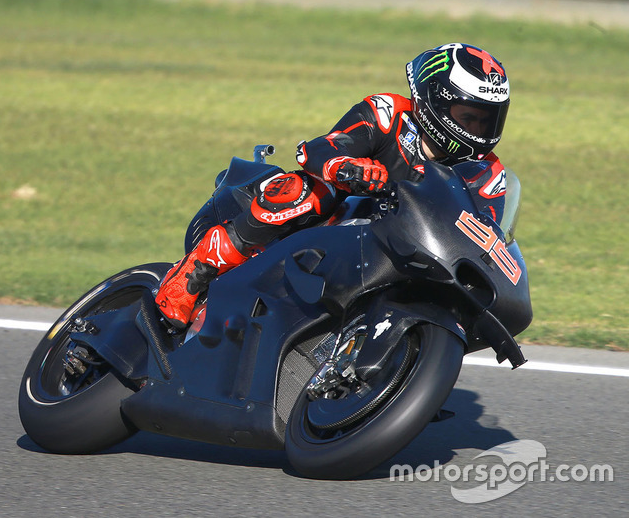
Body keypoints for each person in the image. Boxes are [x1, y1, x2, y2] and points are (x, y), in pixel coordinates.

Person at [155, 42, 511, 329]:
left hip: (405, 255)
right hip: (336, 227)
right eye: (469, 117)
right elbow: (319, 148)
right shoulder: (388, 114)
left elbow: (485, 236)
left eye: (488, 119)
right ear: (435, 100)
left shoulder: (488, 174)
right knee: (307, 191)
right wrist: (348, 168)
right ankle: (197, 270)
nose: (480, 130)